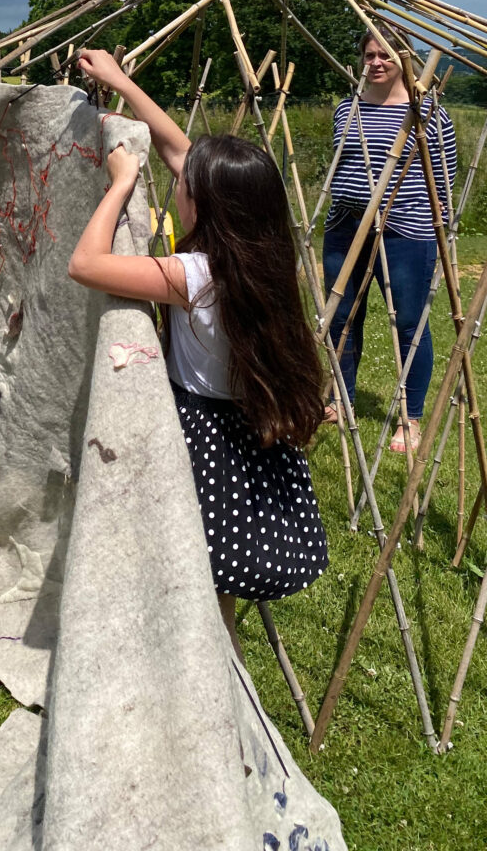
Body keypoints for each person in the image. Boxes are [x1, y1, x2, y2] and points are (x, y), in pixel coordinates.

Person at [69, 49, 328, 656]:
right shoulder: (265, 259)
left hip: (203, 433)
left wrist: (123, 183)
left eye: (182, 186)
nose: (176, 180)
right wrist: (120, 83)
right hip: (249, 432)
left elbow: (86, 265)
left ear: (203, 206)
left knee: (197, 581)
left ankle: (208, 693)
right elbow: (183, 152)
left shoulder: (193, 274)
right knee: (216, 582)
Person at [322, 29, 457, 452]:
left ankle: (410, 418)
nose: (376, 63)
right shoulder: (348, 109)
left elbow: (445, 178)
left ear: (404, 59)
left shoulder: (429, 112)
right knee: (340, 317)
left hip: (407, 230)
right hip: (345, 226)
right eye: (369, 55)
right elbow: (341, 161)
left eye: (385, 55)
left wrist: (440, 238)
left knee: (409, 323)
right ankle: (340, 400)